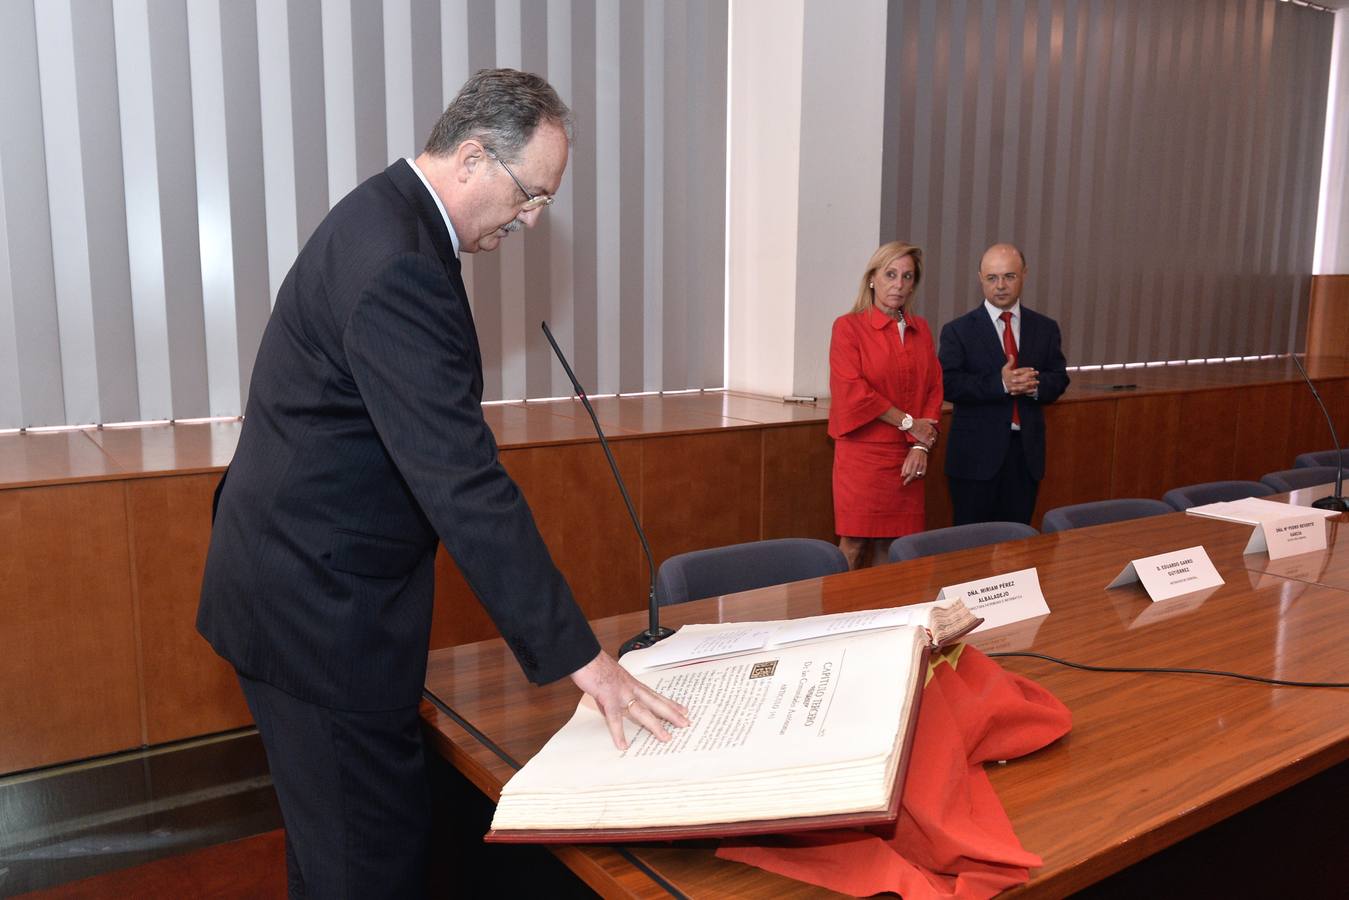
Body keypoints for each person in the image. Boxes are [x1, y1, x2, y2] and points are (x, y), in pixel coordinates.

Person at [197, 69, 687, 898]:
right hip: (319, 613)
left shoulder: (386, 218)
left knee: (332, 853)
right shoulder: (399, 264)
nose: (532, 220)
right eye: (531, 195)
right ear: (471, 158)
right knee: (369, 862)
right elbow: (463, 483)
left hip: (293, 583)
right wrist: (583, 660)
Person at [828, 242, 943, 569]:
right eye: (890, 274)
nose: (899, 284)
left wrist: (920, 445)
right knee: (854, 543)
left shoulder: (922, 330)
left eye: (907, 277)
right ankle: (838, 618)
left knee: (894, 548)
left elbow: (934, 389)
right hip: (862, 453)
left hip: (908, 453)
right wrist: (910, 424)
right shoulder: (848, 328)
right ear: (873, 279)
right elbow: (855, 392)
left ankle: (888, 617)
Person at [939, 243, 1069, 526]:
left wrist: (1033, 384)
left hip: (1025, 457)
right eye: (992, 278)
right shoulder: (958, 331)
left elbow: (1059, 378)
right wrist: (1001, 383)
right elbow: (949, 384)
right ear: (980, 279)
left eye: (1009, 276)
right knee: (971, 549)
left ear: (1024, 275)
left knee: (1017, 545)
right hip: (974, 459)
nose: (1000, 286)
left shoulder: (1045, 328)